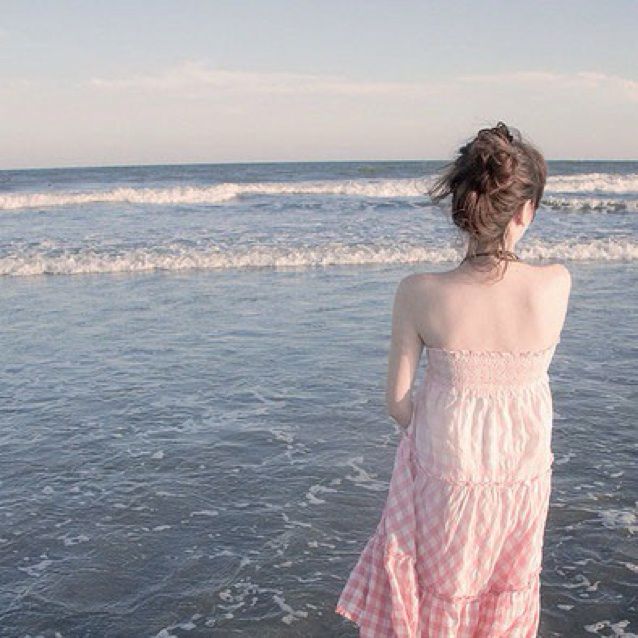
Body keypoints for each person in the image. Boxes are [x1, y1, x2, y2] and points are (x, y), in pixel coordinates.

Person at [335, 121, 572, 637]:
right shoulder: (555, 284)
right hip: (522, 474)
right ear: (525, 210)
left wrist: (441, 425)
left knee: (441, 589)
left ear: (460, 208)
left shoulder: (419, 292)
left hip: (448, 470)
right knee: (507, 586)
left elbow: (397, 403)